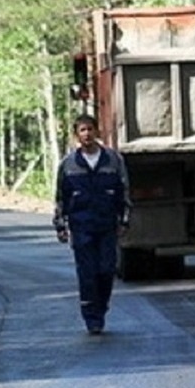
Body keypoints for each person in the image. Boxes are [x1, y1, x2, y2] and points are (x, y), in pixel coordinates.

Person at [52, 114, 131, 335]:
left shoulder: (113, 160)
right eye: (82, 130)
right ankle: (92, 318)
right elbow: (61, 197)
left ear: (97, 131)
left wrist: (124, 220)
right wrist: (60, 225)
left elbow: (124, 191)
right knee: (87, 273)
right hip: (82, 227)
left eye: (90, 129)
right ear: (76, 135)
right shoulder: (68, 165)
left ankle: (102, 305)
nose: (87, 134)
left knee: (106, 270)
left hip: (106, 226)